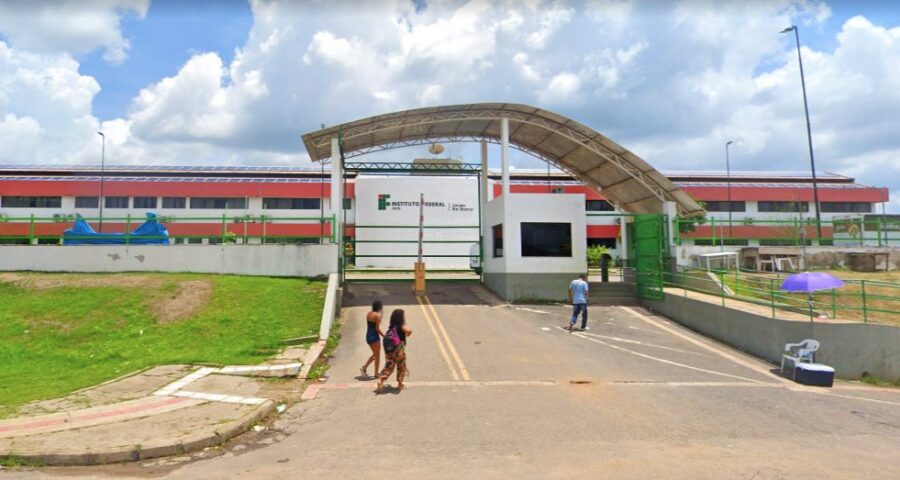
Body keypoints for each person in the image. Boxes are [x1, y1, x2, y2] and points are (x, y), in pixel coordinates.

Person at [376, 309, 412, 392]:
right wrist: (408, 333)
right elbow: (409, 330)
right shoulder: (400, 325)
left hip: (389, 350)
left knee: (389, 367)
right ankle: (400, 384)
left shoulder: (391, 328)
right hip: (398, 350)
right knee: (401, 366)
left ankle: (380, 380)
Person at [360, 300, 384, 378]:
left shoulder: (368, 314)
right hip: (374, 337)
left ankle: (364, 367)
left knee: (375, 354)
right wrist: (384, 336)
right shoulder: (378, 316)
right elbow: (377, 329)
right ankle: (376, 374)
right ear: (379, 307)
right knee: (377, 356)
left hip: (368, 336)